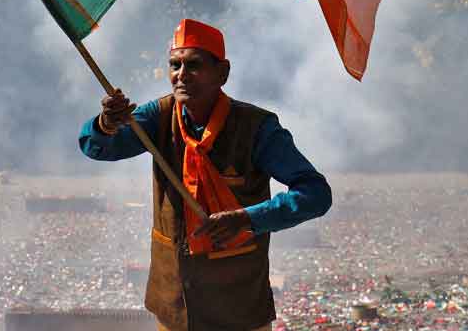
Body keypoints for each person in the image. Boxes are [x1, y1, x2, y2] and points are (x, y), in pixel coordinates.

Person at [79, 19, 332, 331]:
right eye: (175, 65)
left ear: (222, 73)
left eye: (194, 65)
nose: (181, 76)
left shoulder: (257, 128)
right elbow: (97, 148)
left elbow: (316, 194)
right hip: (175, 309)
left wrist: (248, 218)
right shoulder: (158, 117)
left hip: (238, 311)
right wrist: (106, 123)